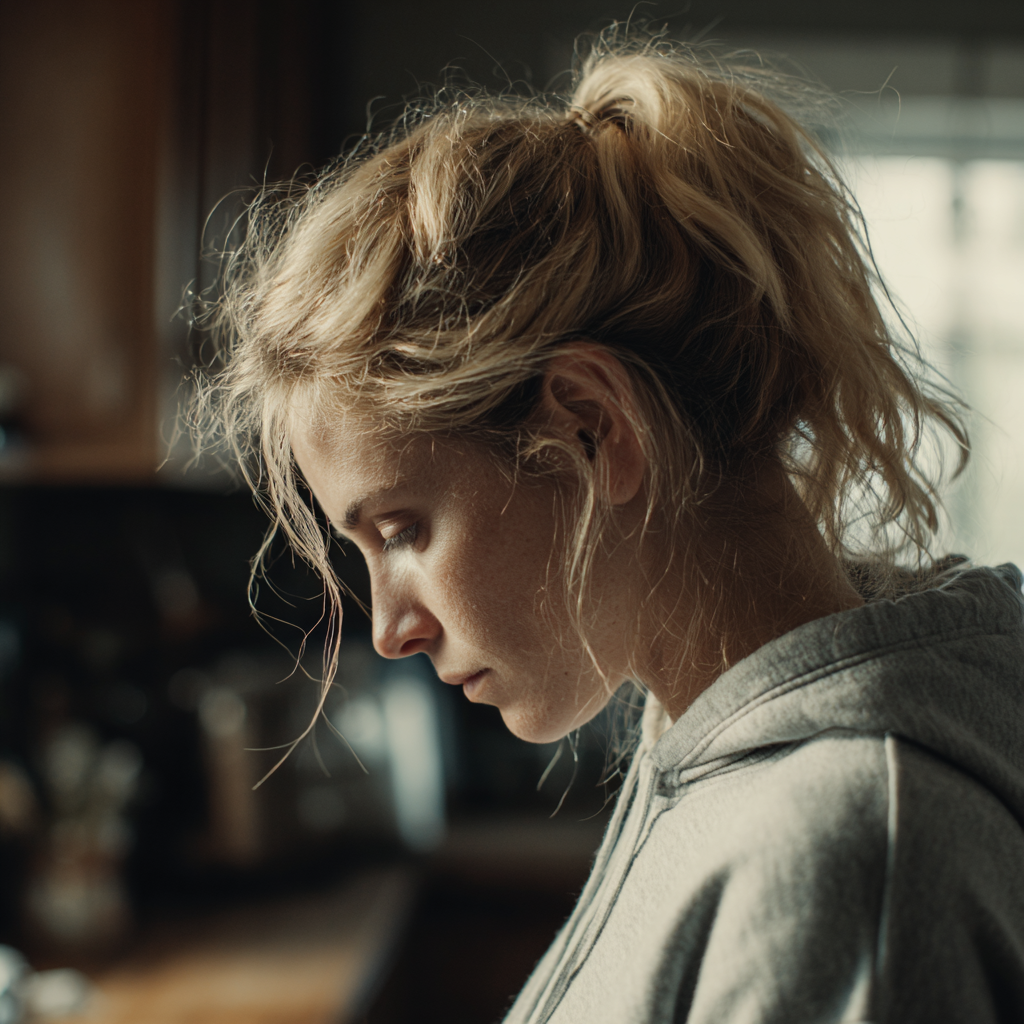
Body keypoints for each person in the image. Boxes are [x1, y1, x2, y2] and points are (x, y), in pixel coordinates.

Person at [197, 29, 1024, 1024]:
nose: (389, 629)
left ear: (591, 427)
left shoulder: (847, 851)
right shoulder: (699, 727)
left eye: (405, 530)